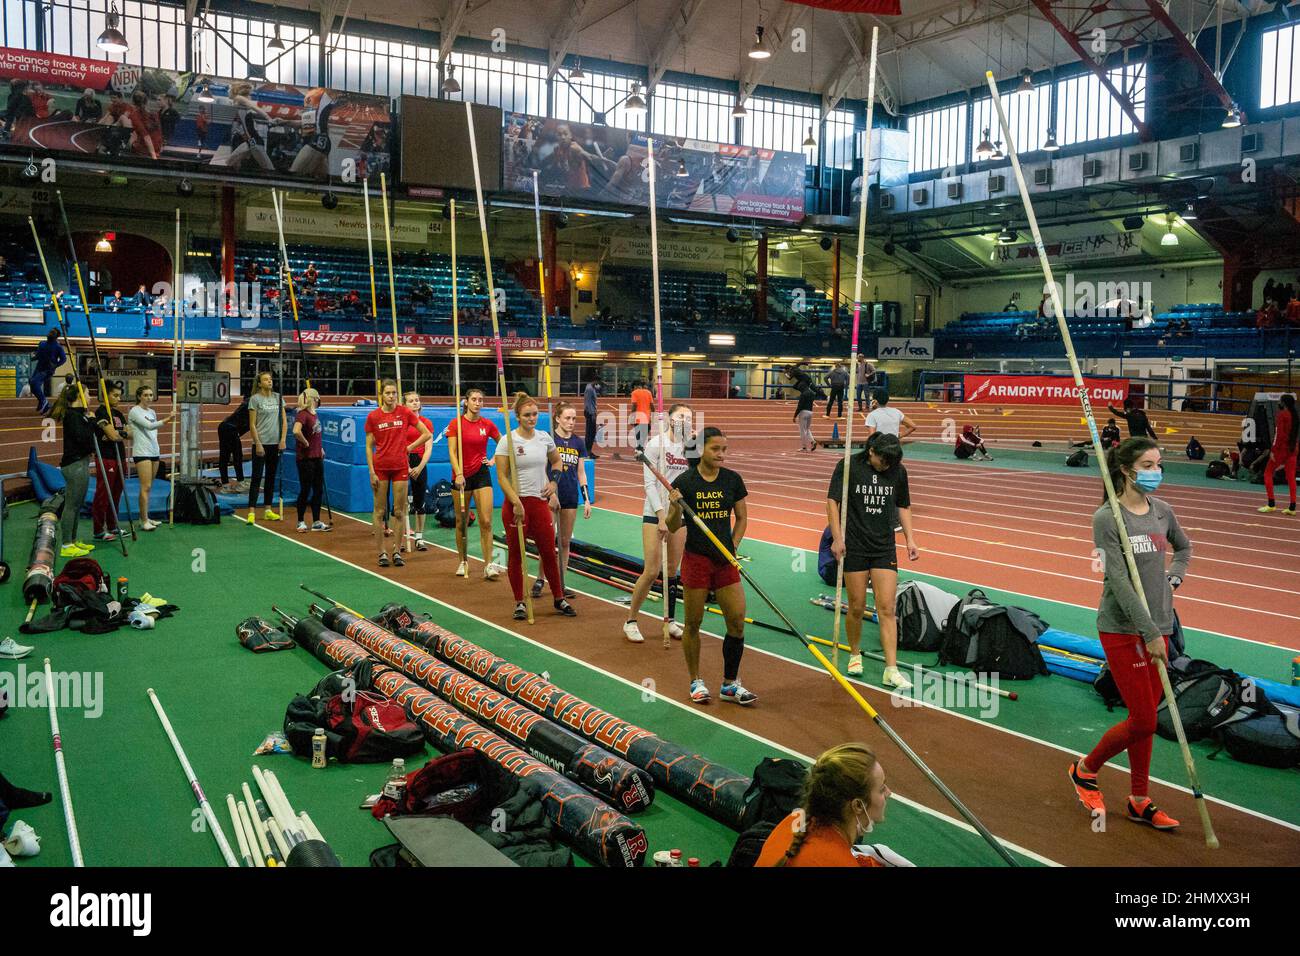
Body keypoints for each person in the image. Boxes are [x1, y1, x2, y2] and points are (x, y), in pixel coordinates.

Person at [1069, 437, 1190, 832]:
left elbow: (1184, 548)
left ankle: (1139, 798)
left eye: (1159, 465)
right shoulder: (1107, 518)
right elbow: (1118, 581)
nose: (1157, 472)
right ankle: (1085, 768)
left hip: (1162, 625)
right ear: (1125, 470)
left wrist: (1174, 577)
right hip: (1123, 629)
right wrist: (1149, 631)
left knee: (1147, 718)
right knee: (1143, 720)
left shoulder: (1163, 511)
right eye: (1149, 465)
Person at [666, 427, 754, 705]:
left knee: (737, 622)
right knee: (693, 623)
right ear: (701, 450)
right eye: (716, 449)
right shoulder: (686, 481)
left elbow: (741, 518)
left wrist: (734, 548)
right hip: (696, 559)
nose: (722, 455)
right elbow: (671, 526)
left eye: (724, 450)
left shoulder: (732, 480)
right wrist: (675, 507)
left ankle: (729, 685)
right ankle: (696, 681)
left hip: (724, 560)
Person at [826, 433, 919, 687]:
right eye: (883, 461)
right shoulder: (848, 466)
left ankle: (891, 669)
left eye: (891, 463)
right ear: (871, 452)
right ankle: (854, 654)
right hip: (854, 544)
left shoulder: (898, 471)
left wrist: (910, 539)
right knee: (856, 606)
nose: (886, 466)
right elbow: (832, 501)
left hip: (884, 546)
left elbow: (904, 506)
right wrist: (837, 537)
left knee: (887, 608)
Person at [494, 393, 575, 621]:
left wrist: (553, 482)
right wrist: (516, 502)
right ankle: (520, 601)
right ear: (518, 417)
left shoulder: (544, 437)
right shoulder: (507, 440)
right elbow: (501, 476)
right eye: (527, 415)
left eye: (535, 414)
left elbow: (557, 461)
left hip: (539, 504)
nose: (532, 418)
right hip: (516, 504)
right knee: (517, 554)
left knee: (549, 552)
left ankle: (559, 598)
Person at [757, 743, 896, 867]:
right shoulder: (838, 861)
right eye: (882, 788)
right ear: (858, 806)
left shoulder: (792, 821)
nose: (888, 793)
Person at [623, 403, 692, 643]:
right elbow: (649, 485)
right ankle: (631, 620)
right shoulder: (656, 444)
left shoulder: (691, 447)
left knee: (672, 571)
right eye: (681, 416)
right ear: (670, 419)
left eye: (689, 417)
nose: (685, 420)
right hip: (655, 513)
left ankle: (670, 620)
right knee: (652, 570)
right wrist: (661, 516)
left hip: (680, 515)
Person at [365, 379, 430, 568]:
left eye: (394, 393)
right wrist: (371, 471)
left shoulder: (405, 412)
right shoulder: (373, 417)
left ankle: (396, 550)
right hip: (381, 468)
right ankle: (382, 552)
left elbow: (426, 434)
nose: (391, 396)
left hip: (401, 467)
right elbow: (369, 447)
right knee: (379, 511)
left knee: (400, 511)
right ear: (382, 395)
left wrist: (409, 447)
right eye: (388, 393)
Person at [532, 401, 591, 599]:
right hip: (551, 495)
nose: (571, 422)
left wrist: (587, 499)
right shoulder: (549, 440)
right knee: (547, 541)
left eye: (574, 418)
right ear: (557, 418)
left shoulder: (578, 442)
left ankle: (560, 582)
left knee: (565, 542)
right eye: (567, 418)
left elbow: (581, 472)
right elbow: (543, 468)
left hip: (571, 496)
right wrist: (551, 492)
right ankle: (540, 578)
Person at [446, 387, 504, 580]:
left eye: (480, 400)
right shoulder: (456, 424)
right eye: (474, 399)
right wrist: (459, 473)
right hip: (461, 476)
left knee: (486, 522)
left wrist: (494, 458)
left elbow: (502, 442)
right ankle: (463, 561)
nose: (477, 403)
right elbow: (452, 452)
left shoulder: (487, 424)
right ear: (466, 402)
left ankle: (488, 564)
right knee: (461, 522)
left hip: (481, 473)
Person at [50, 382, 102, 557]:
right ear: (79, 397)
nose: (89, 398)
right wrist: (93, 422)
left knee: (77, 505)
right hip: (74, 465)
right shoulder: (72, 416)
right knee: (71, 506)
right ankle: (66, 545)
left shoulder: (79, 415)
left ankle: (73, 540)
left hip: (80, 463)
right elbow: (84, 438)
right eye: (87, 394)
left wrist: (90, 420)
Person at [127, 384, 171, 531]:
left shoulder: (152, 411)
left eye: (151, 395)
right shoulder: (134, 411)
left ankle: (145, 517)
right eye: (145, 395)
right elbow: (149, 426)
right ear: (139, 397)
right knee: (145, 487)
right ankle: (143, 520)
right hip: (142, 452)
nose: (149, 398)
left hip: (154, 452)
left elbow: (153, 432)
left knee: (149, 487)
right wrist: (168, 419)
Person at [247, 370, 287, 522]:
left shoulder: (278, 398)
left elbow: (283, 421)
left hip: (275, 444)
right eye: (266, 380)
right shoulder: (255, 399)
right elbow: (252, 424)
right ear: (259, 383)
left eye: (270, 379)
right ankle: (251, 511)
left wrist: (282, 440)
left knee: (270, 477)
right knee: (257, 477)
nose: (269, 381)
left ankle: (268, 510)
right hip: (261, 444)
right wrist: (258, 443)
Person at [92, 380, 128, 542]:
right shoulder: (101, 413)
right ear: (105, 396)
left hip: (120, 456)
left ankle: (113, 526)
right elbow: (114, 436)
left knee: (116, 493)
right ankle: (99, 530)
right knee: (103, 493)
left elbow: (129, 433)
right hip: (106, 458)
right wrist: (118, 434)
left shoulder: (118, 414)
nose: (118, 399)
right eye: (115, 395)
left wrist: (116, 434)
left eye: (120, 396)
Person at [292, 388, 328, 532]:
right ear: (314, 399)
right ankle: (300, 521)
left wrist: (320, 448)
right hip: (305, 459)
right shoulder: (303, 414)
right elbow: (296, 431)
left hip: (317, 457)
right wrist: (305, 443)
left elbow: (316, 434)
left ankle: (316, 521)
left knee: (318, 490)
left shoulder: (314, 414)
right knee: (305, 489)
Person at [404, 389, 434, 550]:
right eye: (411, 401)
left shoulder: (426, 423)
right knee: (400, 502)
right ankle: (401, 537)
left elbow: (428, 448)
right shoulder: (402, 422)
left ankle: (419, 537)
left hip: (420, 462)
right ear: (404, 404)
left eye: (417, 400)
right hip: (403, 461)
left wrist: (420, 466)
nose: (415, 402)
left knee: (419, 501)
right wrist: (407, 466)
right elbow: (400, 445)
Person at [1260, 393, 1297, 515]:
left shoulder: (1282, 415)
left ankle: (1271, 504)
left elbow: (1279, 434)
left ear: (1284, 403)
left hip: (1282, 449)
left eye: (1280, 401)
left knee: (1268, 473)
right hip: (1293, 448)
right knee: (1291, 477)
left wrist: (1273, 450)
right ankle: (1292, 507)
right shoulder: (1295, 415)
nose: (1278, 403)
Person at [29, 329, 66, 415]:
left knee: (34, 382)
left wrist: (56, 365)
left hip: (48, 370)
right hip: (39, 368)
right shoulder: (42, 343)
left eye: (53, 333)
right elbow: (38, 355)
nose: (50, 333)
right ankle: (42, 401)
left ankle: (44, 402)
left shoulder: (58, 347)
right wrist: (34, 357)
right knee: (31, 382)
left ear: (56, 337)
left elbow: (64, 359)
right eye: (50, 332)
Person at [218, 394, 250, 491]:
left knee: (231, 456)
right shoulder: (249, 405)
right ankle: (235, 483)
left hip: (228, 428)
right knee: (234, 456)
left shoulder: (249, 405)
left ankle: (228, 484)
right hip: (229, 428)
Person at [629, 380, 653, 451]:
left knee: (638, 433)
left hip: (638, 417)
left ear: (635, 386)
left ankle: (639, 447)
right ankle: (640, 447)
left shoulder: (634, 393)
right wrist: (653, 416)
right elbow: (652, 406)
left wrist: (632, 417)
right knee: (645, 432)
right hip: (647, 417)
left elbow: (634, 405)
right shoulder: (648, 392)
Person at [583, 376, 603, 458]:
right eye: (598, 382)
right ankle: (587, 452)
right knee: (590, 433)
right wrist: (592, 414)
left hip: (592, 412)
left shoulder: (592, 387)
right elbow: (587, 402)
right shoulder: (589, 389)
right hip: (590, 412)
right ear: (595, 381)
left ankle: (589, 451)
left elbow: (599, 388)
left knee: (592, 432)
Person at [794, 383, 818, 452]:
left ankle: (804, 447)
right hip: (810, 412)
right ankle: (813, 441)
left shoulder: (803, 394)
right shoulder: (812, 394)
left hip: (803, 412)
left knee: (802, 431)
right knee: (807, 429)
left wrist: (795, 415)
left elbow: (800, 406)